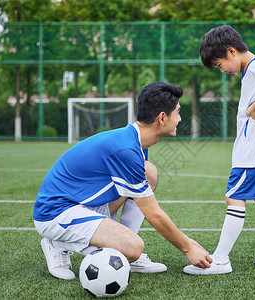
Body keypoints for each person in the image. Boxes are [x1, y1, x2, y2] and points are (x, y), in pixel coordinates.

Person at [34, 81, 212, 280]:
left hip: (83, 205)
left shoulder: (136, 142)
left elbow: (142, 198)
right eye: (178, 112)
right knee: (133, 246)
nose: (179, 119)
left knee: (148, 172)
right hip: (55, 213)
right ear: (162, 117)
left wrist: (186, 241)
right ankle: (56, 244)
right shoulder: (126, 150)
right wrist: (188, 248)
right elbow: (153, 213)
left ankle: (127, 254)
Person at [183, 25, 255, 275]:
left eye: (221, 65)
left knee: (234, 197)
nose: (223, 71)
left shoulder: (254, 68)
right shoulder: (254, 68)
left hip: (252, 151)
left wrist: (253, 107)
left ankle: (220, 260)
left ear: (232, 51)